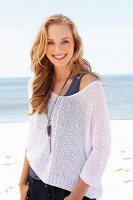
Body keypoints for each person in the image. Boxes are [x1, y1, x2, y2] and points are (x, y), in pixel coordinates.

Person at [19, 14, 111, 200]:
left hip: (72, 192)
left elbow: (102, 147)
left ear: (75, 44)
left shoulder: (88, 86)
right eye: (50, 42)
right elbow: (33, 138)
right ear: (43, 45)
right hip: (35, 185)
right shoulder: (36, 84)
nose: (58, 49)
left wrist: (76, 196)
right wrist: (22, 183)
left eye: (65, 41)